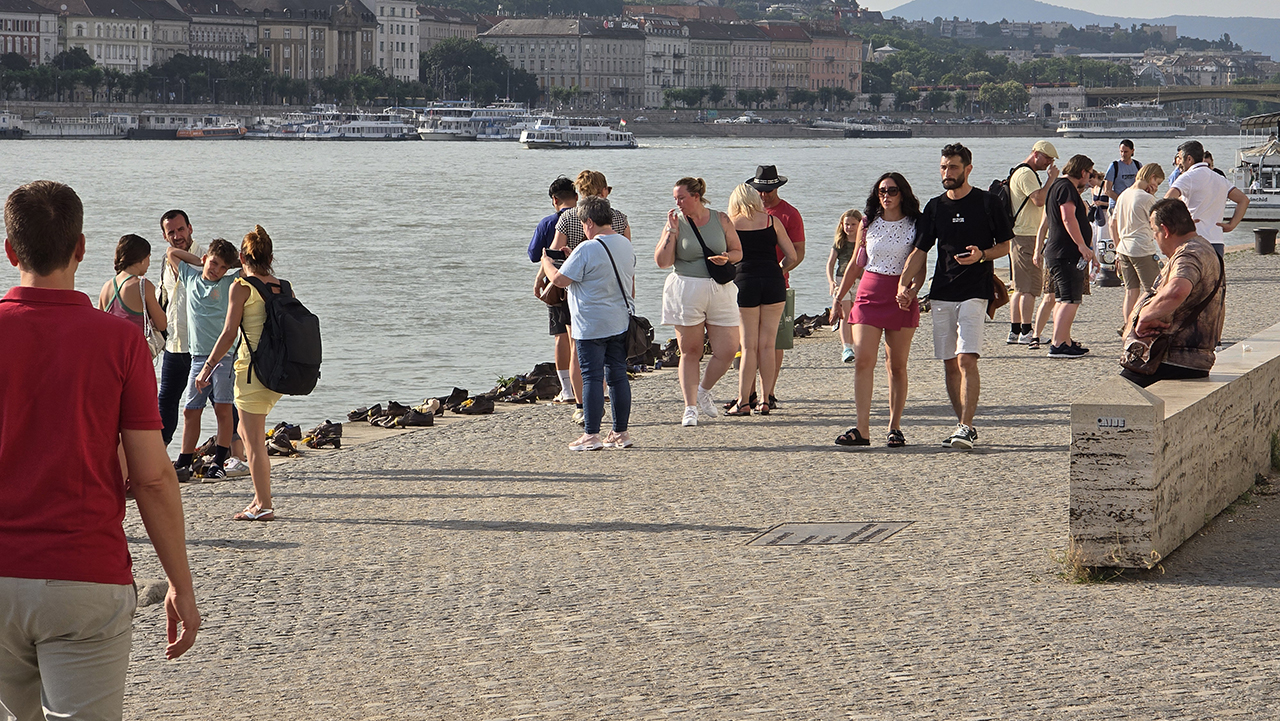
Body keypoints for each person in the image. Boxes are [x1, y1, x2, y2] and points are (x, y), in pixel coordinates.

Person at [1, 180, 198, 720]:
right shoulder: (118, 342)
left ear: (10, 249)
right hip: (85, 576)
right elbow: (153, 478)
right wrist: (180, 584)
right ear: (81, 247)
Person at [897, 143, 1013, 450]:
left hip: (976, 290)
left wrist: (982, 256)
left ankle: (966, 425)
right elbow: (919, 251)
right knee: (949, 362)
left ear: (968, 169)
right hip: (942, 291)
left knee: (966, 359)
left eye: (953, 168)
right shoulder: (935, 208)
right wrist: (904, 285)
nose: (947, 173)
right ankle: (962, 425)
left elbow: (1006, 246)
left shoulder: (988, 203)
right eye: (943, 168)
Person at [196, 226, 287, 521]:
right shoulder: (281, 286)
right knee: (250, 436)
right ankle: (259, 499)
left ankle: (264, 505)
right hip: (277, 373)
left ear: (240, 257)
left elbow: (228, 334)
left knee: (254, 441)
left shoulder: (241, 286)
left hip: (252, 373)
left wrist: (207, 367)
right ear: (270, 256)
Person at [834, 172, 923, 447]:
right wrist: (838, 296)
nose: (886, 196)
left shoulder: (916, 224)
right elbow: (856, 264)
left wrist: (912, 291)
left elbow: (921, 267)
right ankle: (862, 429)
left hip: (899, 296)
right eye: (882, 191)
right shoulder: (867, 222)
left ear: (903, 194)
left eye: (892, 191)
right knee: (863, 360)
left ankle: (894, 427)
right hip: (869, 294)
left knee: (896, 365)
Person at [539, 196, 635, 450]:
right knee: (617, 377)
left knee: (591, 377)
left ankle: (591, 435)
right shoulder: (625, 244)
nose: (583, 228)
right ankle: (620, 433)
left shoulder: (587, 248)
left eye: (583, 224)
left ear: (590, 222)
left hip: (591, 323)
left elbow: (559, 280)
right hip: (619, 320)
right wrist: (574, 257)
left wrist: (547, 263)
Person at [655, 176, 743, 427]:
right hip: (686, 288)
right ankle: (690, 407)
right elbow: (662, 262)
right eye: (675, 198)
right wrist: (671, 231)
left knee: (727, 351)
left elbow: (738, 252)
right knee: (690, 351)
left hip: (720, 289)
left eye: (681, 198)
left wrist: (726, 257)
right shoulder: (676, 222)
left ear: (696, 196)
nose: (677, 203)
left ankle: (704, 390)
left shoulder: (721, 219)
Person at [551, 170, 631, 424]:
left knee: (579, 352)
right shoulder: (619, 218)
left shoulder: (568, 218)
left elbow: (553, 256)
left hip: (575, 292)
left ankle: (581, 405)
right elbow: (627, 260)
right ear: (604, 191)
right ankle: (613, 417)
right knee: (615, 367)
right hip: (615, 295)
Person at [1120, 198, 1225, 387]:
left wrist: (1144, 317)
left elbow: (1177, 289)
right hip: (1193, 357)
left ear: (1165, 230)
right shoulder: (1205, 248)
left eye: (1154, 231)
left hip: (1170, 358)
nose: (1154, 237)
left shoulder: (1189, 253)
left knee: (1113, 402)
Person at [166, 238, 241, 480]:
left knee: (222, 409)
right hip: (198, 357)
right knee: (190, 410)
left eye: (222, 267)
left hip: (224, 357)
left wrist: (231, 262)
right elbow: (172, 253)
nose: (215, 270)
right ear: (206, 258)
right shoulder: (190, 277)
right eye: (214, 263)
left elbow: (248, 268)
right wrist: (199, 261)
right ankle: (185, 460)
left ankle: (219, 460)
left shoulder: (230, 282)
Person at [724, 183, 797, 416]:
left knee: (748, 346)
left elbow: (724, 256)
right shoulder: (771, 221)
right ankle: (765, 400)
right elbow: (792, 255)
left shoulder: (731, 223)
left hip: (744, 282)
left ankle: (743, 401)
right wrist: (778, 270)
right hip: (773, 282)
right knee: (768, 344)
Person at [747, 165, 804, 411]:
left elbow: (798, 252)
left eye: (769, 190)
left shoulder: (790, 214)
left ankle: (768, 392)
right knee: (747, 341)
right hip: (749, 281)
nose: (764, 195)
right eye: (760, 190)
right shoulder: (746, 212)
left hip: (777, 281)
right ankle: (747, 392)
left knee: (774, 341)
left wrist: (778, 270)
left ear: (777, 188)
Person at [1034, 154, 1096, 358]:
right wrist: (1082, 245)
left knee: (1062, 299)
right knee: (1071, 299)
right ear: (1083, 171)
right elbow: (1068, 218)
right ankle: (1059, 344)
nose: (1089, 179)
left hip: (1059, 252)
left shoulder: (1058, 186)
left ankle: (1063, 339)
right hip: (1066, 253)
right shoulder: (1066, 188)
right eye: (1089, 173)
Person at [529, 176, 578, 404]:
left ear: (554, 199)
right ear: (576, 197)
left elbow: (533, 254)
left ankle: (567, 389)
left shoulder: (549, 223)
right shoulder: (587, 217)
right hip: (586, 283)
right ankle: (593, 385)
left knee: (561, 335)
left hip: (557, 284)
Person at [157, 209, 202, 447]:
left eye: (181, 229)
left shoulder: (206, 258)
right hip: (174, 344)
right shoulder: (166, 260)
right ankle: (158, 454)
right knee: (166, 400)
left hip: (202, 346)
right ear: (165, 236)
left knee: (221, 403)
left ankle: (237, 454)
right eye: (171, 232)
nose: (177, 236)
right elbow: (164, 298)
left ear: (190, 228)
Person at [1006, 140, 1059, 345]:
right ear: (1035, 154)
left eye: (1051, 160)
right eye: (1047, 158)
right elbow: (1038, 199)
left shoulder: (1018, 172)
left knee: (1019, 287)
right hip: (1027, 235)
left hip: (1019, 234)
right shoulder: (1026, 174)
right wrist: (1051, 180)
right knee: (1030, 288)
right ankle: (1026, 332)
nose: (1049, 163)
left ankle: (1015, 330)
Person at [1166, 140, 1249, 257]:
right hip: (1216, 240)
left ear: (1189, 159)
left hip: (1193, 238)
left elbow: (1166, 201)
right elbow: (1243, 200)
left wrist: (1179, 222)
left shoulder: (1187, 177)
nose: (1179, 163)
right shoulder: (1219, 178)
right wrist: (1231, 225)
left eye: (1180, 158)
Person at [1110, 163, 1166, 324]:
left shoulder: (1123, 195)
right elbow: (1156, 223)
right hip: (1141, 248)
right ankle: (1148, 324)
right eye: (1158, 183)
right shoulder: (1147, 198)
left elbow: (1112, 224)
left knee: (1131, 291)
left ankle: (1128, 325)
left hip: (1123, 248)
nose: (1156, 187)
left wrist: (1117, 250)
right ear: (1152, 177)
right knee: (1154, 290)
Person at [98, 233, 167, 341]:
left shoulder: (106, 286)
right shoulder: (143, 286)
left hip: (111, 352)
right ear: (141, 259)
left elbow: (101, 326)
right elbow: (162, 324)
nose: (149, 263)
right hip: (132, 353)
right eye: (149, 257)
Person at [825, 210, 862, 362]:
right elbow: (830, 263)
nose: (849, 227)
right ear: (842, 225)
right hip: (842, 280)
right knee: (845, 315)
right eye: (847, 224)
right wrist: (831, 281)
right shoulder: (840, 242)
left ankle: (856, 345)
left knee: (856, 315)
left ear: (860, 225)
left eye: (853, 224)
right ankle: (846, 348)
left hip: (860, 280)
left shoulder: (863, 242)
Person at [1102, 139, 1142, 210]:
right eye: (1121, 151)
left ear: (1132, 151)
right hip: (1116, 206)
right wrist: (1122, 200)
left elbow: (1142, 185)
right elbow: (1107, 190)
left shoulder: (1138, 165)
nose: (1123, 154)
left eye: (1126, 152)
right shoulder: (1114, 166)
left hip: (1132, 205)